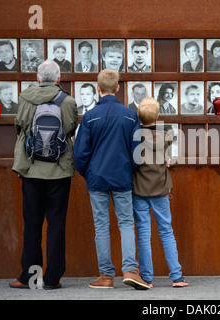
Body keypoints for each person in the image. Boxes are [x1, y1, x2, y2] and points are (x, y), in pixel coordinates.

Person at [73, 69, 149, 290]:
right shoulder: (130, 115)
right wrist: (130, 169)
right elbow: (137, 151)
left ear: (98, 88)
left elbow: (80, 153)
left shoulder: (89, 117)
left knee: (101, 225)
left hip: (96, 177)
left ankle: (106, 276)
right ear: (117, 88)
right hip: (122, 177)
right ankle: (130, 270)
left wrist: (88, 173)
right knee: (126, 222)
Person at [9, 59, 78, 290]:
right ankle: (52, 279)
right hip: (58, 171)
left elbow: (19, 127)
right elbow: (69, 129)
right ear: (59, 79)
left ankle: (29, 277)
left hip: (30, 169)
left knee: (32, 225)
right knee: (56, 224)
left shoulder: (25, 98)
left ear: (38, 78)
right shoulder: (68, 101)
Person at [132, 97, 188, 288]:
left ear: (138, 117)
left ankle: (147, 278)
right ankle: (177, 277)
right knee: (166, 232)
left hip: (139, 190)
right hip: (161, 191)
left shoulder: (135, 137)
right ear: (158, 116)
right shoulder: (166, 136)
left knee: (143, 234)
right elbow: (166, 159)